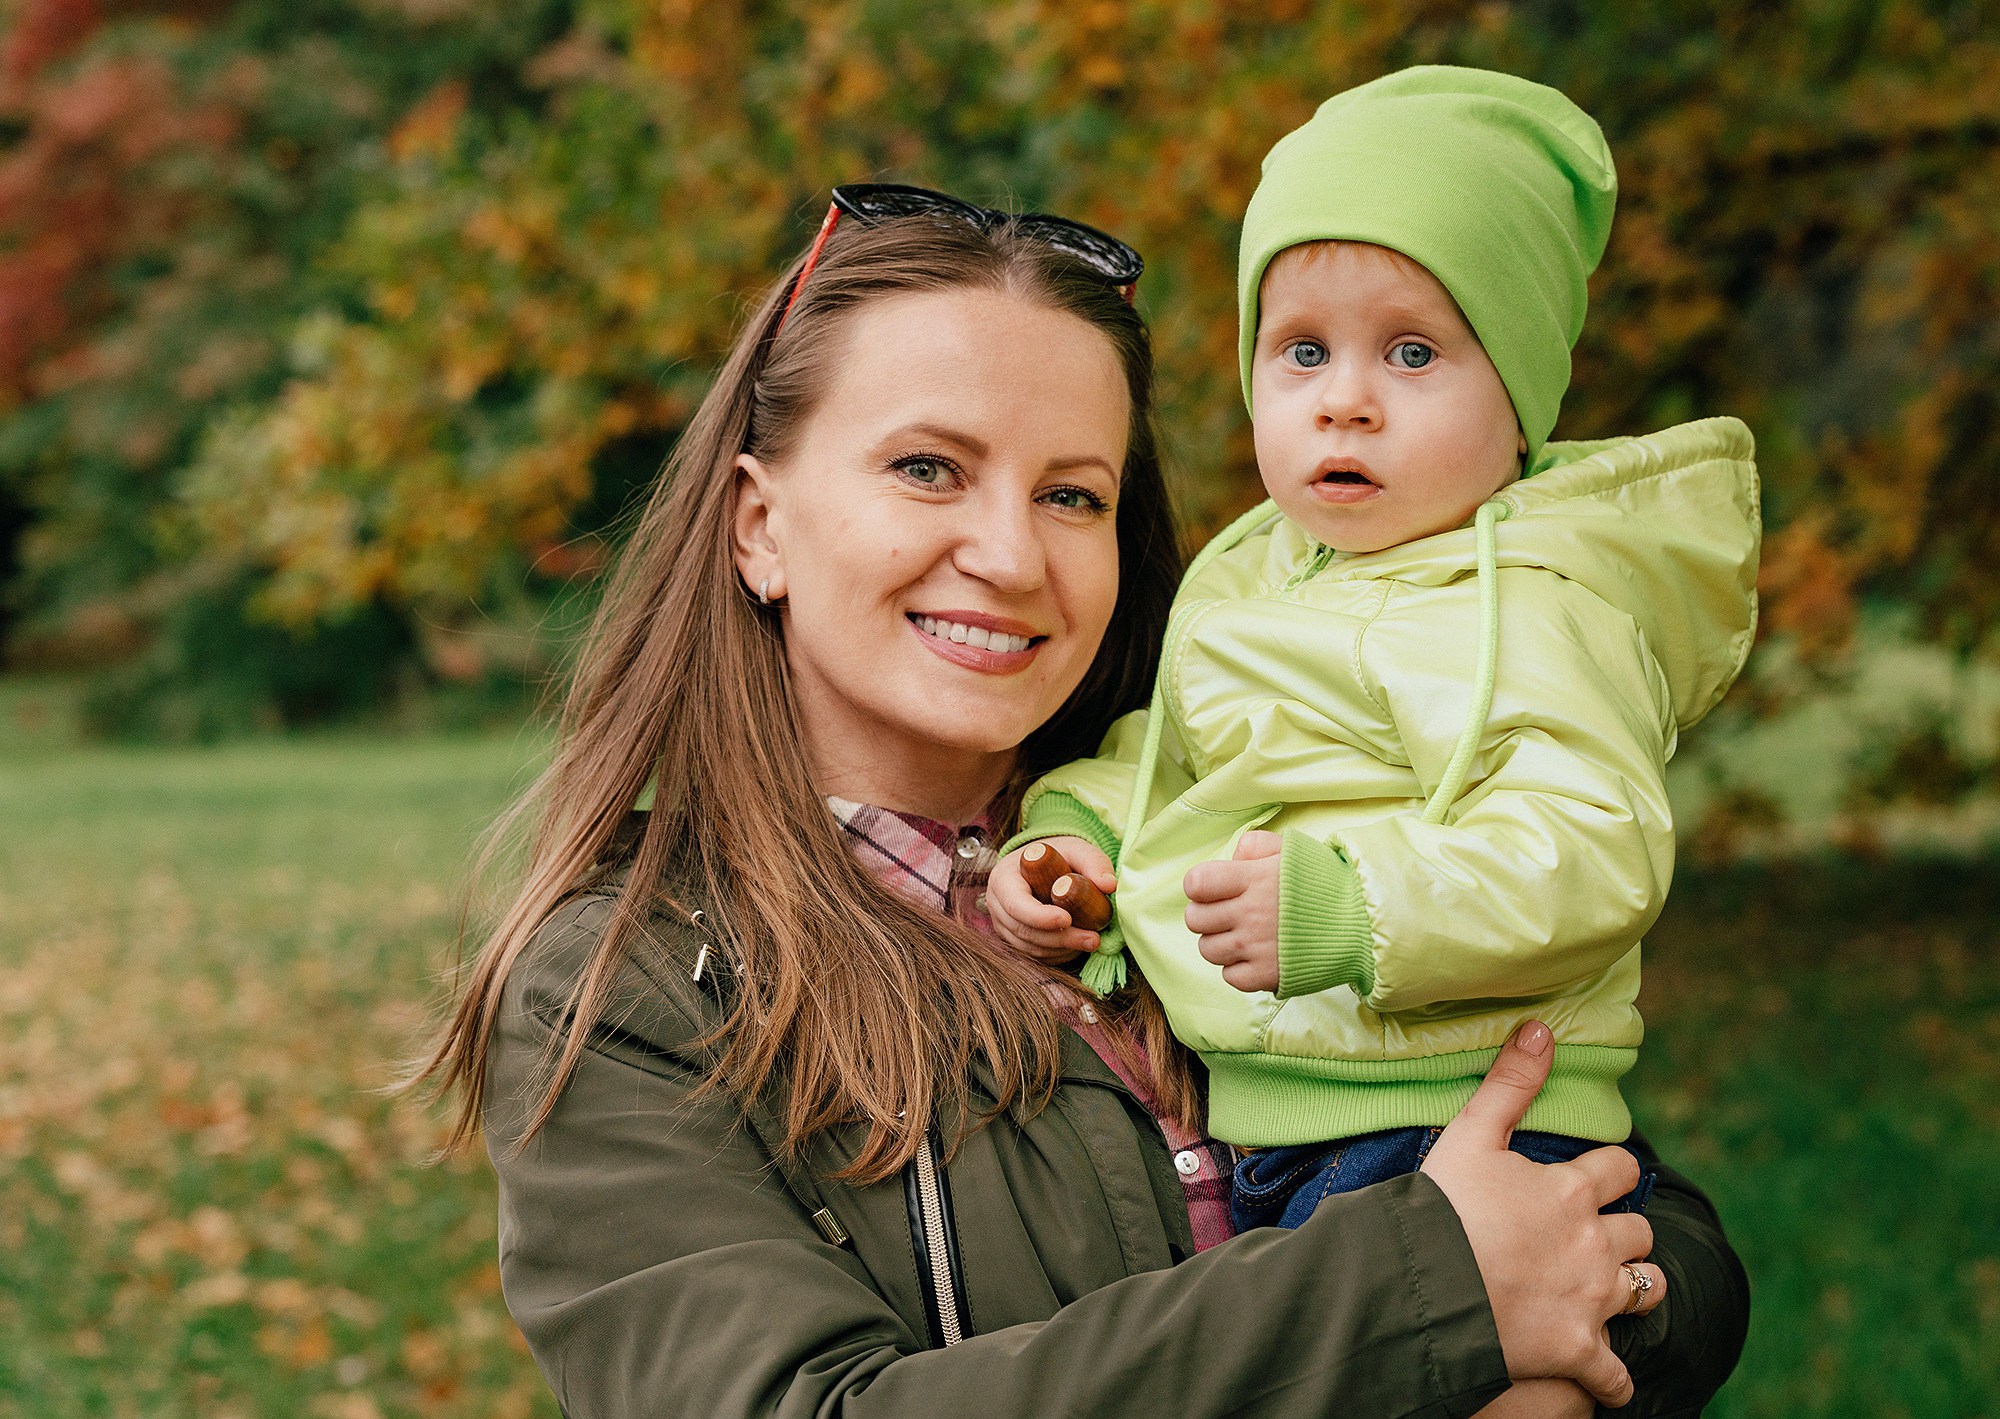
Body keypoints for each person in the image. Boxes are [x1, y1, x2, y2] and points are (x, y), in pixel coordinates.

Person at [417, 182, 1748, 1418]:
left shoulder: (1230, 834)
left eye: (1071, 494)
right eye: (927, 468)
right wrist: (1425, 1287)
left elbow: (1632, 1224)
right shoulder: (634, 990)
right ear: (759, 525)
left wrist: (1621, 1291)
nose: (1010, 555)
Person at [986, 67, 1759, 1236]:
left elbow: (1588, 848)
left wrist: (1347, 908)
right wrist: (1071, 835)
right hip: (1273, 1119)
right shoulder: (1254, 572)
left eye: (1410, 354)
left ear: (1518, 405)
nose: (1342, 402)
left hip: (1456, 1114)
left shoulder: (1530, 604)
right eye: (1301, 352)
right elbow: (1176, 765)